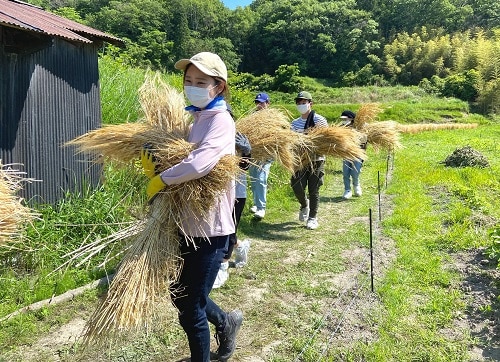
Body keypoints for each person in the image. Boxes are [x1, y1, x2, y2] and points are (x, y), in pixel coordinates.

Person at [142, 52, 242, 362]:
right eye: (188, 81)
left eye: (201, 82)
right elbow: (185, 157)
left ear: (219, 86)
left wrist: (161, 180)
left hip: (211, 228)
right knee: (181, 293)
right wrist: (156, 163)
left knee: (190, 306)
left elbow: (199, 164)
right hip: (187, 223)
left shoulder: (220, 121)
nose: (192, 86)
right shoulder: (197, 118)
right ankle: (227, 322)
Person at [213, 131, 252, 288]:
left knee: (229, 229)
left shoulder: (238, 137)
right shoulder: (211, 135)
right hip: (216, 193)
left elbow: (245, 167)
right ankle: (240, 246)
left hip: (236, 193)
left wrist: (247, 152)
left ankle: (223, 266)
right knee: (224, 230)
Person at [290, 91, 328, 230]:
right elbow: (291, 141)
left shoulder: (320, 120)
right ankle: (304, 204)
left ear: (310, 103)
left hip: (316, 159)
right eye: (299, 103)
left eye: (303, 103)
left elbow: (324, 140)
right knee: (296, 184)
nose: (301, 105)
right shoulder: (294, 123)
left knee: (314, 189)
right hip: (300, 160)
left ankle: (312, 217)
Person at [249, 92, 272, 220]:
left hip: (266, 154)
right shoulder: (252, 117)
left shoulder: (273, 118)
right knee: (253, 179)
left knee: (261, 179)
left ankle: (261, 208)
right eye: (257, 102)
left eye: (262, 102)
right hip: (254, 154)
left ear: (268, 103)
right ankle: (256, 203)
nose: (259, 105)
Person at [340, 110, 367, 199]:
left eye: (345, 118)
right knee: (346, 172)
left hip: (357, 153)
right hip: (346, 153)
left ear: (351, 118)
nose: (343, 120)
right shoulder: (341, 128)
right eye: (342, 119)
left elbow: (364, 141)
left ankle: (356, 184)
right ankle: (347, 190)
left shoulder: (359, 127)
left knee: (355, 172)